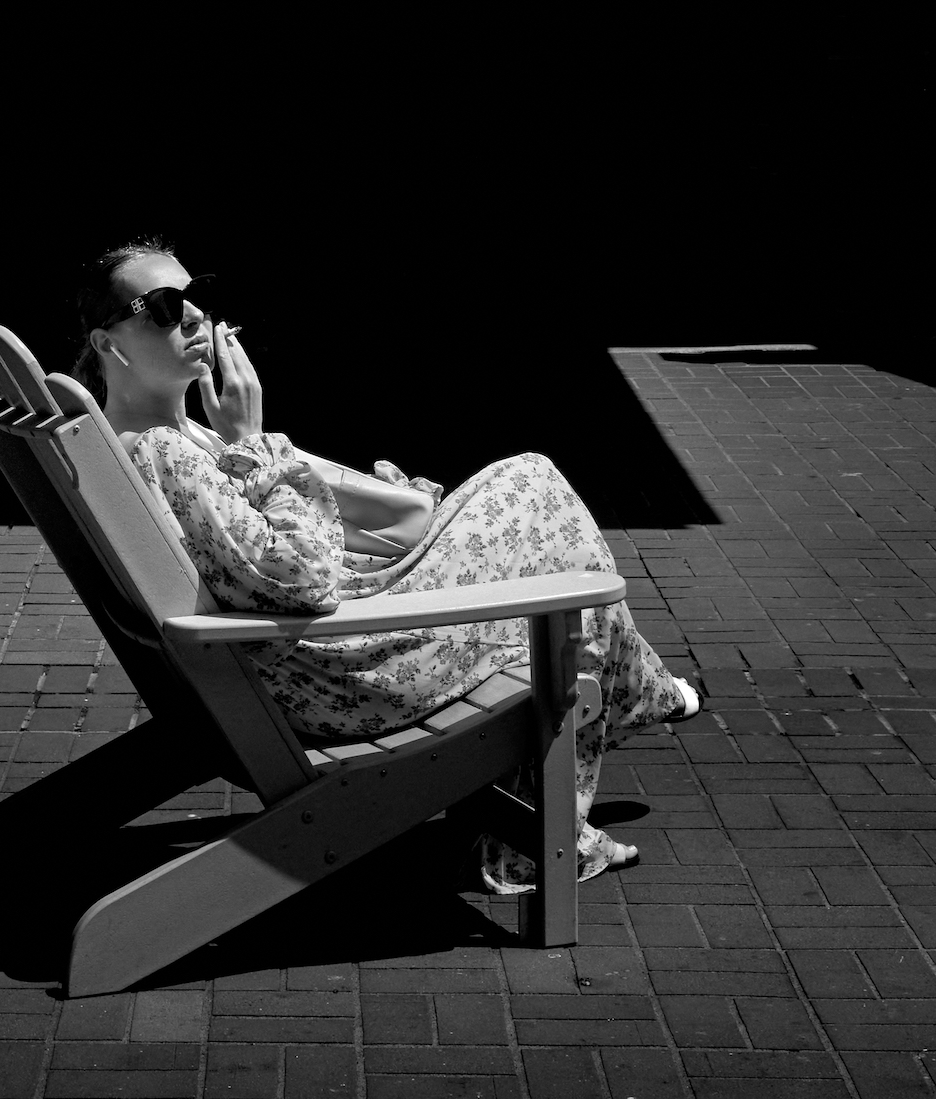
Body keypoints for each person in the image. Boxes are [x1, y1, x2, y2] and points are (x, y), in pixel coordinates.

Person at [72, 238, 703, 890]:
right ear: (107, 344)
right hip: (342, 676)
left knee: (527, 507)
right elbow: (301, 579)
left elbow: (379, 527)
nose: (194, 316)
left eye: (197, 296)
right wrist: (255, 445)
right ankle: (606, 736)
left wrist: (272, 457)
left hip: (306, 659)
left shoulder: (164, 439)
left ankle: (637, 692)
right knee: (541, 512)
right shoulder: (168, 452)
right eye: (163, 306)